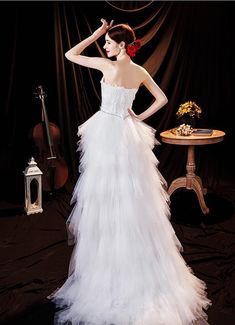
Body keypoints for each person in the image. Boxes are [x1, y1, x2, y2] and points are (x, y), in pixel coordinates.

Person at [49, 19, 211, 325]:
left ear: (122, 44)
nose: (106, 46)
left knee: (106, 195)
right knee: (133, 196)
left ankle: (111, 263)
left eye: (110, 42)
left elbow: (71, 54)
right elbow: (161, 98)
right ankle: (129, 257)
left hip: (108, 131)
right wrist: (138, 116)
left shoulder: (106, 67)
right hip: (126, 131)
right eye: (105, 42)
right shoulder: (140, 71)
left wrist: (94, 34)